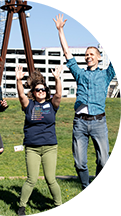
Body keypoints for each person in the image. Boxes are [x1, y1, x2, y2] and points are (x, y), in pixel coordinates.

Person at [53, 14, 115, 215]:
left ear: (98, 57)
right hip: (80, 123)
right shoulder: (80, 74)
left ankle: (101, 190)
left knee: (104, 161)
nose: (88, 56)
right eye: (86, 54)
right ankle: (88, 189)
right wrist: (60, 30)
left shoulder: (106, 74)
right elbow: (67, 53)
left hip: (99, 122)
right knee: (80, 162)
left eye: (91, 54)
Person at [16, 65, 62, 216]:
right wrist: (18, 80)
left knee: (50, 179)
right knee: (32, 179)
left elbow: (59, 94)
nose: (41, 92)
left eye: (43, 90)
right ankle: (21, 207)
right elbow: (21, 95)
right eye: (38, 90)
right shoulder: (29, 105)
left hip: (50, 147)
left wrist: (57, 78)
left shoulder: (51, 104)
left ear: (46, 92)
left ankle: (58, 206)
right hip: (32, 148)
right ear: (34, 93)